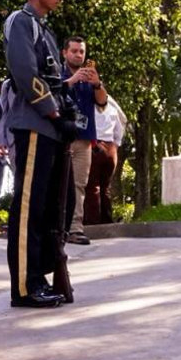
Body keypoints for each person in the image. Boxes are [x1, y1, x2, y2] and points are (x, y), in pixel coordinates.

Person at [3, 0, 73, 308]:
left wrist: (66, 113)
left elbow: (53, 78)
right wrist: (52, 111)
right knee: (29, 206)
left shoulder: (44, 29)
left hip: (50, 127)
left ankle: (39, 276)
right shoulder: (22, 22)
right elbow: (25, 74)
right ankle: (25, 285)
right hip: (33, 124)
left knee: (45, 207)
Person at [61, 36, 107, 245]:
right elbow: (53, 94)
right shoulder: (58, 74)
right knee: (58, 183)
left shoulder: (91, 79)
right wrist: (72, 80)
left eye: (82, 51)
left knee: (79, 185)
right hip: (61, 137)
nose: (79, 55)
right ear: (65, 53)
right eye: (74, 51)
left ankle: (75, 228)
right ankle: (56, 228)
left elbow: (102, 102)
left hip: (84, 139)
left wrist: (96, 83)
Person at [86, 96, 127, 224]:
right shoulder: (112, 106)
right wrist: (114, 147)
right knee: (105, 187)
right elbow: (120, 129)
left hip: (94, 145)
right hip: (111, 148)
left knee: (92, 187)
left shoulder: (88, 104)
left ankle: (93, 222)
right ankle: (106, 220)